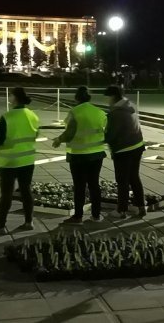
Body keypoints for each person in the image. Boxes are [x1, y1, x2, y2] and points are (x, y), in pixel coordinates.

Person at [0, 87, 38, 233]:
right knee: (26, 191)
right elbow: (35, 135)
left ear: (15, 98)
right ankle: (29, 222)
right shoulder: (32, 115)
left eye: (11, 95)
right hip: (28, 160)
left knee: (6, 194)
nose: (9, 98)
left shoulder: (8, 116)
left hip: (9, 162)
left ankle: (0, 226)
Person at [53, 86, 107, 224]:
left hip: (79, 155)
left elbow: (69, 133)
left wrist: (59, 140)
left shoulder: (74, 112)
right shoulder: (100, 112)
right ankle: (96, 215)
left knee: (79, 186)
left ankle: (78, 216)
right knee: (94, 185)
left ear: (76, 98)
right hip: (97, 154)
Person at [104, 85, 146, 219]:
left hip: (123, 149)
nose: (107, 101)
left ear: (113, 97)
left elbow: (111, 135)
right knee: (134, 177)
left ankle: (121, 210)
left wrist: (101, 136)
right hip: (137, 146)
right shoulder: (131, 105)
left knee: (122, 180)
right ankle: (141, 207)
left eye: (108, 98)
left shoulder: (116, 113)